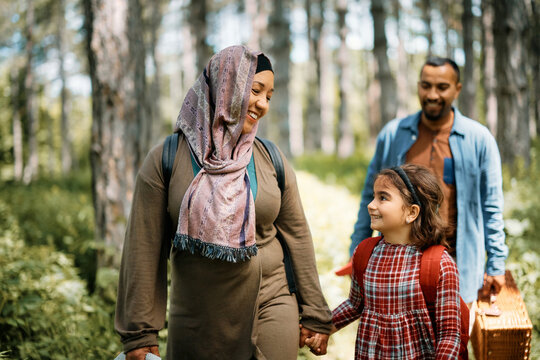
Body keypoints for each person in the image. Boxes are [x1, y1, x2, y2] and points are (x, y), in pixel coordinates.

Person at [115, 45, 331, 360]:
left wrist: (315, 312)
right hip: (197, 316)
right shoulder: (168, 157)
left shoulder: (270, 158)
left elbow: (297, 234)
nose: (262, 104)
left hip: (270, 300)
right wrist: (139, 334)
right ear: (225, 86)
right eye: (256, 90)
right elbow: (143, 246)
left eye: (269, 96)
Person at [345, 57, 507, 305]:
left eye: (442, 87)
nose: (432, 94)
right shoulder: (393, 134)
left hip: (457, 267)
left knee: (453, 340)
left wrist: (496, 264)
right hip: (396, 267)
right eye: (425, 85)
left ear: (457, 89)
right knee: (396, 340)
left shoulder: (479, 139)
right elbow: (370, 195)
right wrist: (357, 251)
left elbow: (491, 207)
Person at [310, 164, 461, 358]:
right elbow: (354, 305)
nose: (371, 205)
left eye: (383, 197)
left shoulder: (439, 264)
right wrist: (322, 329)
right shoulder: (365, 253)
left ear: (411, 212)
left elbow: (450, 335)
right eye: (373, 196)